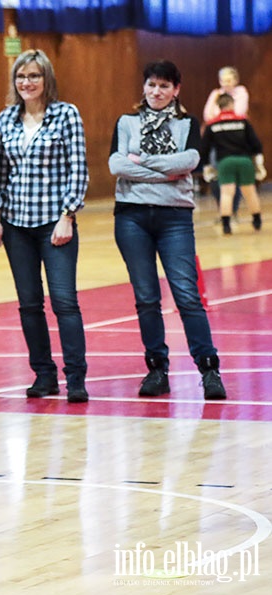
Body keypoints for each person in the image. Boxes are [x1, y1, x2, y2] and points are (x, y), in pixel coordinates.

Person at [109, 60, 226, 400]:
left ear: (176, 90)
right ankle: (157, 369)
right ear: (143, 88)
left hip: (175, 217)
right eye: (151, 85)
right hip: (131, 218)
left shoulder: (187, 123)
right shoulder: (126, 122)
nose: (156, 92)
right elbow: (116, 164)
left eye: (164, 86)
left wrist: (140, 162)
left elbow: (190, 161)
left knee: (187, 295)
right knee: (146, 298)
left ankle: (208, 368)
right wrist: (166, 169)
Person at [0, 49, 90, 403]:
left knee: (64, 302)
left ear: (46, 80)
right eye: (21, 77)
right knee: (29, 304)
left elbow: (78, 169)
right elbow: (0, 172)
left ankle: (75, 377)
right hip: (16, 225)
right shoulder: (6, 119)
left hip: (54, 223)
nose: (26, 83)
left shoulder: (66, 115)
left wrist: (68, 215)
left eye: (34, 76)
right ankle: (43, 374)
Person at [200, 93, 263, 234]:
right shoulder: (242, 121)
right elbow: (255, 143)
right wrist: (259, 162)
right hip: (244, 160)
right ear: (231, 104)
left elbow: (204, 148)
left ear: (219, 106)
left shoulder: (213, 124)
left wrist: (206, 166)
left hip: (225, 161)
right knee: (250, 192)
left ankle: (226, 225)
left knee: (226, 193)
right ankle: (257, 220)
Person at [202, 66, 249, 216]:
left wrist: (219, 117)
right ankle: (222, 209)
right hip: (217, 140)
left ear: (235, 80)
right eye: (222, 80)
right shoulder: (215, 94)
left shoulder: (241, 92)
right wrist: (219, 111)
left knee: (235, 176)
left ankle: (233, 210)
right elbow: (207, 115)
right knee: (215, 176)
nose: (225, 84)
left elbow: (238, 112)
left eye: (229, 80)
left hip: (236, 140)